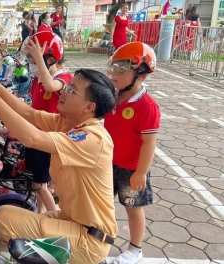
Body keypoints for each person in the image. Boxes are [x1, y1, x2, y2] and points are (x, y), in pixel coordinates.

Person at [0, 59, 118, 263]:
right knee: (7, 215)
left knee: (6, 218)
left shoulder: (92, 139)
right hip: (73, 222)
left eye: (72, 90)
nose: (63, 91)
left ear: (89, 107)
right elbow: (28, 113)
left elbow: (32, 138)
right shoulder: (68, 123)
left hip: (89, 239)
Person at [104, 42, 160, 264]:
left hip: (132, 168)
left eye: (122, 69)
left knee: (133, 208)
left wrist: (141, 172)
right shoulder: (114, 96)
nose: (114, 74)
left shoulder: (147, 106)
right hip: (108, 163)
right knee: (102, 203)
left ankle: (135, 250)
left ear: (141, 75)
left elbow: (149, 143)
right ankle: (96, 240)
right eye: (114, 67)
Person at [21, 32, 72, 214]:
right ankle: (42, 214)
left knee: (38, 184)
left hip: (51, 139)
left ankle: (56, 218)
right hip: (37, 136)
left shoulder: (64, 78)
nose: (31, 62)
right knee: (40, 182)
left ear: (49, 60)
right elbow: (33, 107)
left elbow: (52, 86)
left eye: (33, 58)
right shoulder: (38, 78)